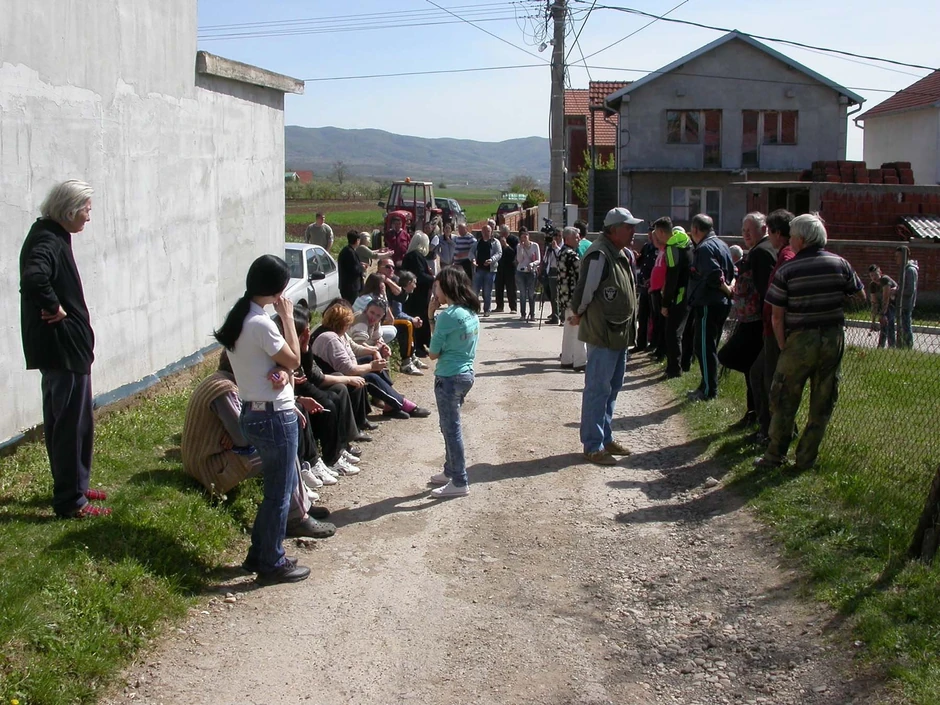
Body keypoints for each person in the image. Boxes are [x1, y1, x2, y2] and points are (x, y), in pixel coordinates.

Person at [212, 255, 310, 584]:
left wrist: (280, 370)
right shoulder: (262, 323)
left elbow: (269, 365)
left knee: (275, 490)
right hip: (273, 415)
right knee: (279, 493)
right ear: (277, 289)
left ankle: (260, 553)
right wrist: (287, 318)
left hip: (252, 411)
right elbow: (294, 359)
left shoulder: (240, 317)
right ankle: (271, 562)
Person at [19, 180, 108, 518]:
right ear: (69, 210)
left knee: (68, 422)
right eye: (86, 209)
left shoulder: (50, 234)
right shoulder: (47, 239)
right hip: (63, 348)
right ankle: (72, 501)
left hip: (62, 348)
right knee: (71, 425)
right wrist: (54, 306)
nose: (88, 217)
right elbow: (34, 277)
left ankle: (75, 486)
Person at [755, 214, 865, 471]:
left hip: (799, 339)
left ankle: (775, 455)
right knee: (822, 401)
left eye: (792, 236)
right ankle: (805, 459)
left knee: (784, 397)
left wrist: (783, 344)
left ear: (802, 239)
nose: (790, 241)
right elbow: (859, 297)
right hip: (832, 338)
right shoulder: (840, 263)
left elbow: (777, 316)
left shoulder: (788, 270)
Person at [180, 351, 333, 530]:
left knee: (282, 440)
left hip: (212, 458)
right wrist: (245, 429)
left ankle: (300, 504)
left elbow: (255, 409)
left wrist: (294, 401)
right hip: (211, 468)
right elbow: (244, 438)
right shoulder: (225, 390)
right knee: (282, 448)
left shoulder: (225, 381)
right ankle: (295, 518)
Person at [569, 207, 640, 466]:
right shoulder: (600, 253)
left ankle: (605, 437)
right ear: (614, 229)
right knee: (598, 390)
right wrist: (578, 313)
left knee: (612, 388)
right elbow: (586, 290)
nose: (633, 231)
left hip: (618, 333)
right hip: (603, 333)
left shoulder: (619, 252)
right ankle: (592, 445)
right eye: (629, 227)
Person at [310, 303, 431, 419]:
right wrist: (371, 366)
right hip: (334, 377)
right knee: (369, 377)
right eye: (347, 324)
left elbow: (354, 348)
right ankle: (402, 404)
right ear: (340, 323)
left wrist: (374, 351)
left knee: (371, 360)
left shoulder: (336, 332)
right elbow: (349, 369)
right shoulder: (330, 338)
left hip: (341, 369)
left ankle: (390, 403)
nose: (348, 327)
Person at [718, 212, 778, 426]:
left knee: (737, 359)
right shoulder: (759, 250)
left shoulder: (762, 252)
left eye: (750, 231)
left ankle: (759, 414)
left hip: (756, 322)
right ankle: (754, 412)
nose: (746, 235)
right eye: (743, 231)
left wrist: (766, 320)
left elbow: (765, 289)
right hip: (749, 320)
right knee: (751, 368)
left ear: (764, 229)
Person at [426, 267, 481, 498]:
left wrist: (431, 316)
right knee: (448, 425)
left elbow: (433, 353)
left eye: (437, 286)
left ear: (446, 287)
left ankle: (459, 481)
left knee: (451, 429)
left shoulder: (447, 316)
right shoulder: (470, 311)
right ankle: (450, 470)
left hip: (449, 376)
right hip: (465, 374)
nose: (434, 292)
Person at [748, 209, 795, 444]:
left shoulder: (786, 257)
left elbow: (777, 297)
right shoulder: (782, 254)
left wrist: (779, 335)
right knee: (760, 375)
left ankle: (771, 433)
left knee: (768, 380)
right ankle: (770, 428)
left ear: (776, 233)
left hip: (776, 331)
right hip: (772, 328)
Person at [686, 214, 735, 402]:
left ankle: (708, 390)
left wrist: (727, 290)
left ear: (695, 229)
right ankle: (706, 384)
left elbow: (714, 274)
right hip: (720, 303)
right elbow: (733, 271)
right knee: (708, 346)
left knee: (704, 347)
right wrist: (730, 289)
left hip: (709, 302)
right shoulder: (722, 244)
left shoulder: (704, 248)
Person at [657, 220, 694, 379]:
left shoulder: (672, 248)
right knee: (685, 331)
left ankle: (674, 369)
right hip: (690, 292)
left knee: (672, 333)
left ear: (661, 232)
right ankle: (684, 364)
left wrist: (665, 303)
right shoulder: (685, 241)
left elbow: (672, 277)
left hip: (679, 295)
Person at [401, 231, 436, 357]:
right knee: (420, 320)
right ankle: (419, 346)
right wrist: (433, 278)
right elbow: (420, 275)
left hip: (416, 294)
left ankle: (422, 345)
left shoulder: (411, 256)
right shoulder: (415, 256)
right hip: (417, 295)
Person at [557, 226, 586, 371]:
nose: (579, 239)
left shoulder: (561, 252)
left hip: (564, 297)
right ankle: (580, 361)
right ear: (568, 239)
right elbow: (582, 275)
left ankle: (567, 359)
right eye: (576, 237)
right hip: (574, 298)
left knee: (568, 329)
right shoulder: (572, 255)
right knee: (578, 329)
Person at [387, 270, 427, 375]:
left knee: (411, 322)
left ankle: (413, 356)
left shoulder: (404, 293)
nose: (415, 286)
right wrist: (412, 319)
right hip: (385, 320)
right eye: (414, 283)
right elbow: (397, 313)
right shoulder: (398, 293)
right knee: (407, 325)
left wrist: (413, 319)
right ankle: (406, 363)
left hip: (391, 318)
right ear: (409, 283)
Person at [470, 224, 502, 317]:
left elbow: (499, 253)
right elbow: (471, 252)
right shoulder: (478, 242)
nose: (485, 233)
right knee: (475, 291)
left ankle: (487, 309)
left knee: (487, 292)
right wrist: (473, 259)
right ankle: (474, 309)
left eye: (488, 231)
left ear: (491, 232)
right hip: (478, 270)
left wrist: (491, 260)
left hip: (490, 270)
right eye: (484, 231)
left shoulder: (495, 242)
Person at [632, 237, 658, 353]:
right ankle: (641, 343)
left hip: (654, 287)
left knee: (654, 317)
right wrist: (637, 258)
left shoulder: (660, 248)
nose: (650, 236)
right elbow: (641, 262)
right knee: (642, 316)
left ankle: (653, 343)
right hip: (644, 286)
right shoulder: (647, 247)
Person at [868, 264, 897, 348]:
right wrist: (873, 321)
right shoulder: (872, 285)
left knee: (888, 322)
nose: (874, 277)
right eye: (871, 276)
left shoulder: (885, 280)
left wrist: (883, 314)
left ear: (880, 273)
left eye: (876, 275)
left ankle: (891, 346)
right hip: (884, 304)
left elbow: (886, 298)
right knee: (883, 325)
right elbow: (874, 302)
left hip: (894, 303)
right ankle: (881, 346)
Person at [515, 227, 541, 322]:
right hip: (521, 272)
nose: (525, 237)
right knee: (522, 294)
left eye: (526, 235)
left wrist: (532, 264)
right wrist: (521, 248)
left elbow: (538, 260)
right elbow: (519, 260)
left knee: (531, 294)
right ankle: (523, 314)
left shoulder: (535, 245)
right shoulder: (519, 246)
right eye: (523, 236)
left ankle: (532, 315)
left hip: (531, 272)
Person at [896, 245, 918, 348]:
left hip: (906, 303)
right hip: (902, 303)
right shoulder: (904, 269)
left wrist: (897, 291)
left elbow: (910, 290)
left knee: (906, 326)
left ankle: (908, 345)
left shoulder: (910, 270)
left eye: (898, 256)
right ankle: (902, 344)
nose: (896, 259)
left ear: (904, 256)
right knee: (902, 325)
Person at [493, 224, 518, 313]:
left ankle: (513, 307)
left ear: (508, 232)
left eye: (504, 233)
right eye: (501, 233)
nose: (502, 235)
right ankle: (499, 306)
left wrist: (506, 245)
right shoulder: (497, 240)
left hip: (510, 267)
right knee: (498, 287)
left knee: (511, 288)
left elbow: (514, 253)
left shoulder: (514, 239)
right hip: (500, 266)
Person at [541, 228, 563, 324]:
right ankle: (555, 315)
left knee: (560, 295)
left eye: (559, 235)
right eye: (555, 235)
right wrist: (549, 249)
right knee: (553, 295)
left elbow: (561, 256)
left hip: (560, 271)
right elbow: (545, 259)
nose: (557, 237)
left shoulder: (563, 246)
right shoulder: (550, 246)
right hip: (551, 271)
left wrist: (556, 248)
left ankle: (561, 316)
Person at [338, 230, 366, 304]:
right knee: (352, 306)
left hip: (346, 286)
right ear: (357, 240)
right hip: (351, 288)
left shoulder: (347, 250)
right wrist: (362, 267)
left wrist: (359, 264)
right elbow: (354, 269)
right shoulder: (350, 252)